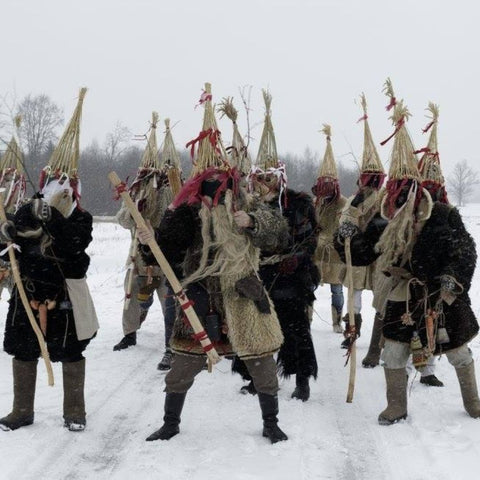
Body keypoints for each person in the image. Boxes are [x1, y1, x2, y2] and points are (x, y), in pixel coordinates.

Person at [137, 83, 288, 443]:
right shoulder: (185, 214)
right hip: (200, 296)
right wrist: (148, 245)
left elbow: (279, 234)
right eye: (211, 184)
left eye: (223, 182)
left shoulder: (247, 205)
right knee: (182, 367)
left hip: (244, 294)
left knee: (262, 365)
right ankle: (171, 424)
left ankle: (271, 423)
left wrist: (253, 223)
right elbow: (165, 253)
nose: (218, 190)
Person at [335, 99, 479, 425]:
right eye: (396, 193)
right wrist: (346, 236)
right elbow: (361, 253)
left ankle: (473, 401)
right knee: (395, 352)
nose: (401, 200)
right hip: (401, 295)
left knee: (456, 349)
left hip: (440, 294)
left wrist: (450, 281)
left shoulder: (442, 215)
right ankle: (396, 405)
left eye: (406, 193)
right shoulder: (383, 219)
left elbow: (464, 250)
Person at [0, 88, 98, 432]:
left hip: (65, 295)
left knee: (71, 353)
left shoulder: (80, 217)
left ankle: (74, 412)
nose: (62, 191)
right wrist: (15, 225)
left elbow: (74, 247)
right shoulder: (29, 209)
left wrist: (54, 218)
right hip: (28, 293)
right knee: (23, 353)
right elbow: (12, 236)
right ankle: (21, 411)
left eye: (67, 187)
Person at [234, 90, 319, 402]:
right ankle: (259, 378)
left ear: (279, 178)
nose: (263, 184)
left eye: (268, 178)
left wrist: (295, 260)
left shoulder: (297, 203)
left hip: (292, 278)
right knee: (258, 327)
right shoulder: (251, 204)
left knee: (295, 329)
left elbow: (310, 240)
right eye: (260, 178)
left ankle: (301, 379)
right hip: (261, 276)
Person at [312, 125, 346, 334]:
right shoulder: (316, 203)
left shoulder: (342, 204)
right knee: (309, 285)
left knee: (337, 288)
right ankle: (306, 318)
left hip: (334, 252)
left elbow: (342, 227)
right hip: (316, 251)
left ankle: (337, 321)